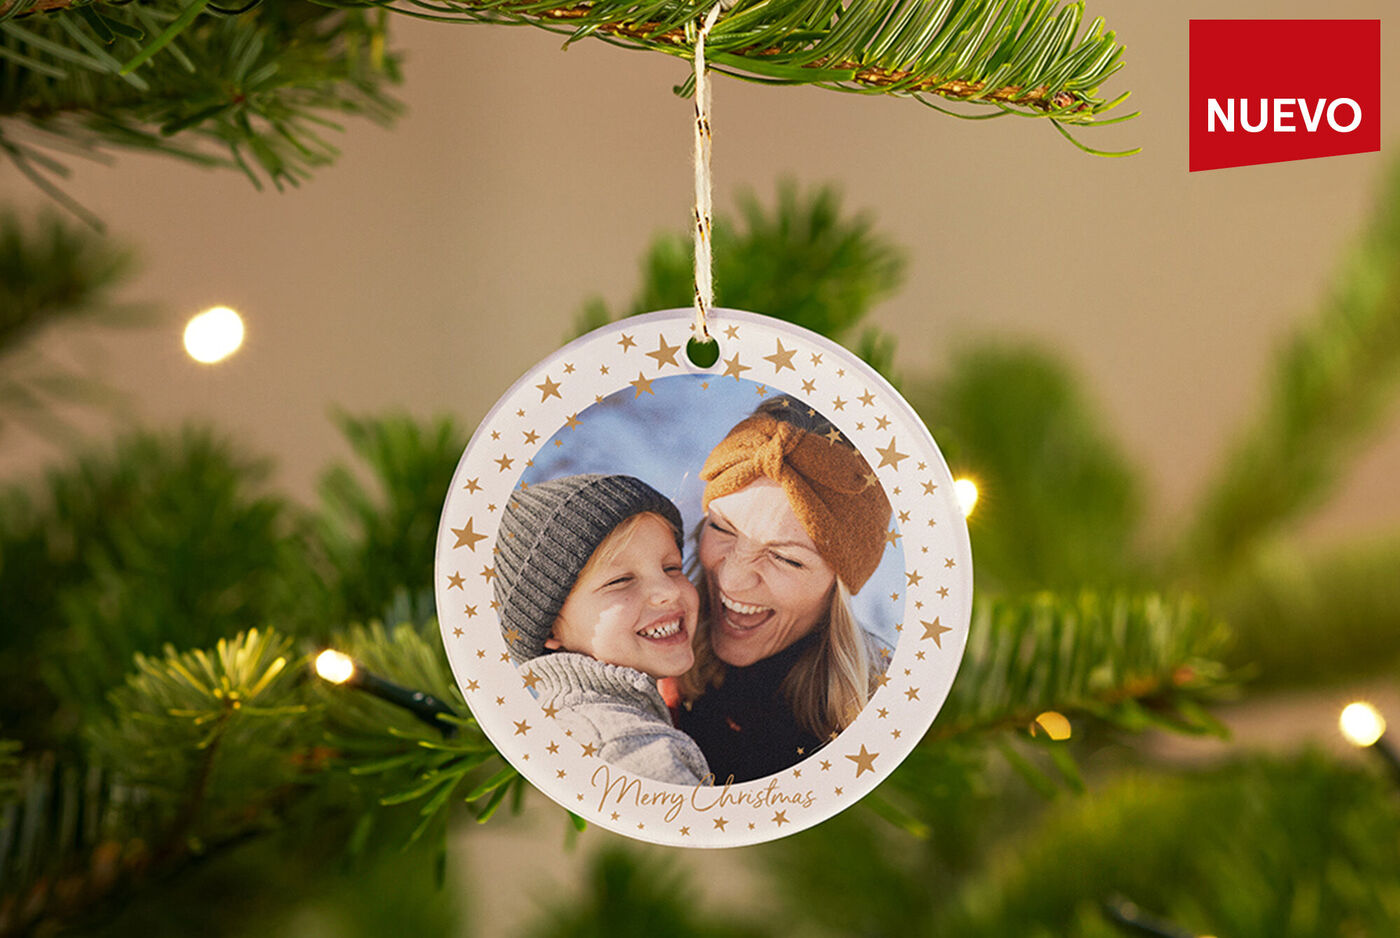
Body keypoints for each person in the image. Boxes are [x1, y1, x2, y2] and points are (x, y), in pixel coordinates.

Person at [676, 396, 892, 782]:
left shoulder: (869, 737)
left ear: (838, 589)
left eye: (787, 559)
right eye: (722, 529)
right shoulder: (641, 667)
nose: (732, 579)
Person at [494, 473, 711, 786]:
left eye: (671, 567)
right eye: (620, 580)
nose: (668, 590)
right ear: (550, 631)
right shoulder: (625, 745)